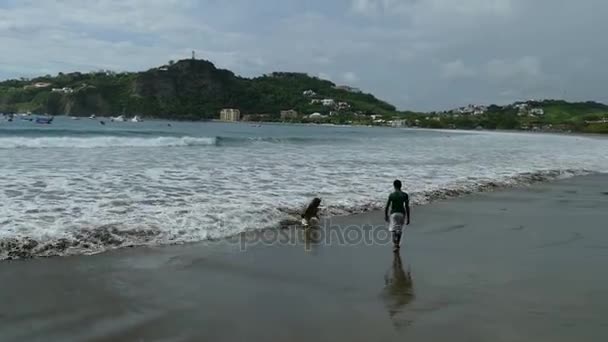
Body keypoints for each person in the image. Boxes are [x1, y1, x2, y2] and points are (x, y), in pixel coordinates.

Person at [385, 180, 410, 252]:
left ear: (394, 186)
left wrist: (386, 215)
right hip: (402, 213)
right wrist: (408, 218)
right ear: (401, 186)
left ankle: (395, 245)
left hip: (393, 214)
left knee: (393, 229)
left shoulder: (392, 195)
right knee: (399, 229)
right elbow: (407, 207)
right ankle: (397, 244)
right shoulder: (405, 195)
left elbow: (387, 206)